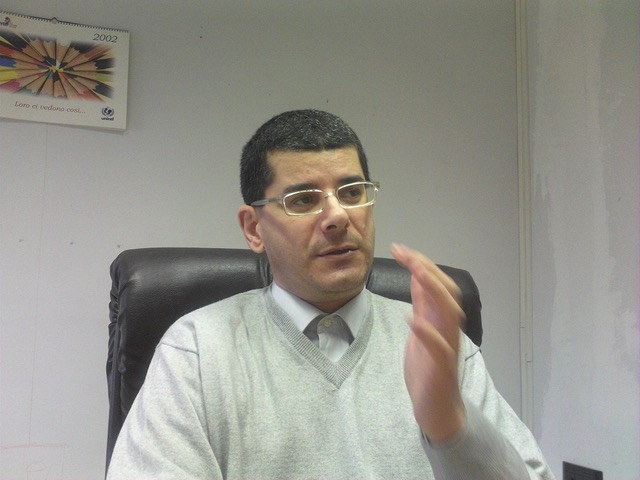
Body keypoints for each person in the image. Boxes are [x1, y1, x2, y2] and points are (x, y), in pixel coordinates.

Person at [107, 109, 554, 479]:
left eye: (352, 192)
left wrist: (451, 428)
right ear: (253, 228)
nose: (338, 215)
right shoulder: (197, 352)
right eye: (303, 199)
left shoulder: (439, 347)